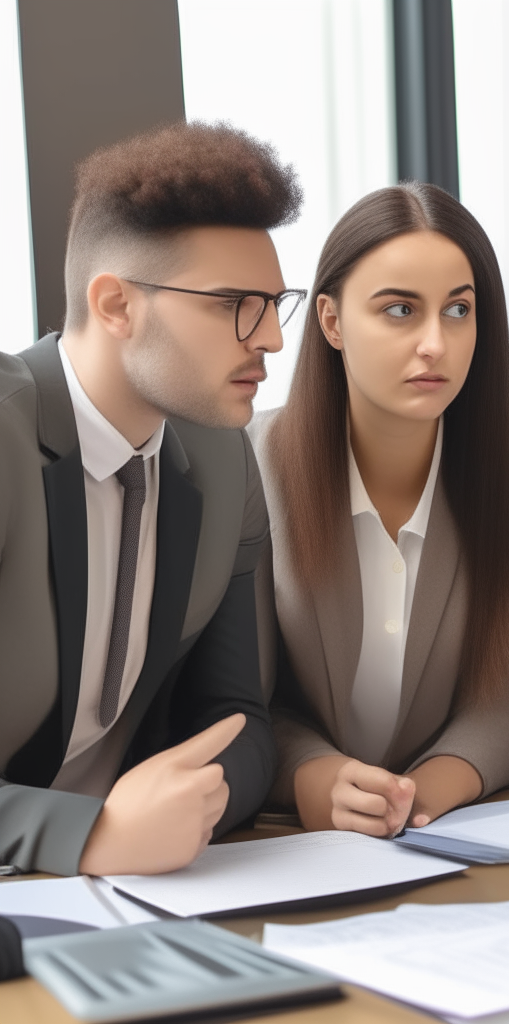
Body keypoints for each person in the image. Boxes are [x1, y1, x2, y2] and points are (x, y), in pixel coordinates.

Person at [0, 121, 303, 877]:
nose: (269, 338)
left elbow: (239, 722)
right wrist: (87, 834)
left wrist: (186, 810)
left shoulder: (224, 455)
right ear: (115, 305)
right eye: (234, 302)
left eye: (273, 302)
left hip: (141, 896)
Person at [251, 182, 509, 839]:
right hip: (283, 837)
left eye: (458, 311)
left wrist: (415, 799)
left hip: (454, 828)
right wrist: (313, 775)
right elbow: (238, 699)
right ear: (332, 322)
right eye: (400, 310)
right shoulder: (249, 463)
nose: (435, 343)